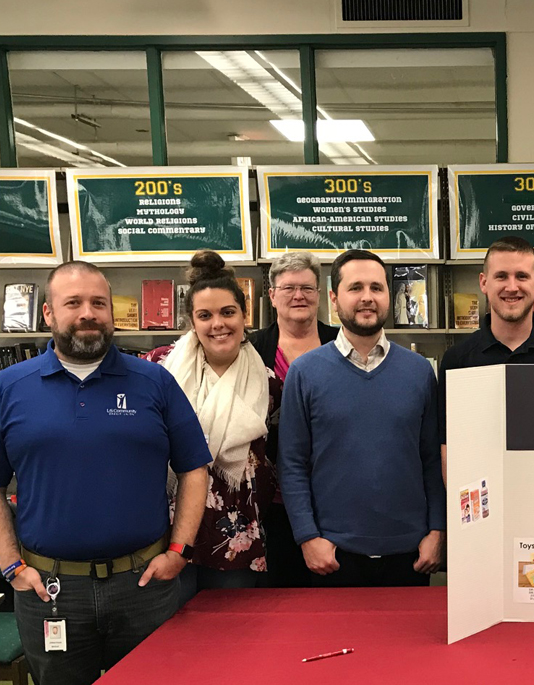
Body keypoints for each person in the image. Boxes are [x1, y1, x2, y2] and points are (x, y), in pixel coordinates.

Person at [0, 260, 210, 685]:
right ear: (49, 315)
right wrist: (10, 565)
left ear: (112, 311)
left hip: (144, 585)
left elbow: (195, 469)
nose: (87, 314)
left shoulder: (153, 383)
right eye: (73, 304)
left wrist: (179, 549)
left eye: (98, 303)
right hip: (50, 591)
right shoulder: (10, 386)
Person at [278, 249, 446, 587]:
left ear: (389, 295)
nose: (367, 297)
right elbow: (292, 463)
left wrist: (438, 529)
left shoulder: (419, 372)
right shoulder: (305, 372)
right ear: (334, 298)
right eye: (355, 288)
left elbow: (432, 458)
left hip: (410, 553)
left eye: (377, 288)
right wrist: (307, 537)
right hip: (333, 554)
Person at [147, 251, 282, 605]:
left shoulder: (269, 384)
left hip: (235, 535)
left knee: (230, 644)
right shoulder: (159, 370)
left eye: (227, 312)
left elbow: (282, 459)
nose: (218, 324)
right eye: (205, 315)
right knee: (171, 643)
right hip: (166, 531)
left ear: (244, 315)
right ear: (192, 321)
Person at [438, 236, 534, 482]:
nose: (512, 287)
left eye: (521, 276)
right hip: (483, 507)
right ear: (484, 283)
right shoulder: (456, 361)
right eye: (501, 276)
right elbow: (448, 446)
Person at [249, 251, 338, 588]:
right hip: (271, 500)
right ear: (271, 295)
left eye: (307, 288)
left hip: (332, 494)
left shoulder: (341, 343)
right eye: (288, 288)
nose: (298, 296)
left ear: (321, 294)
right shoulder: (251, 349)